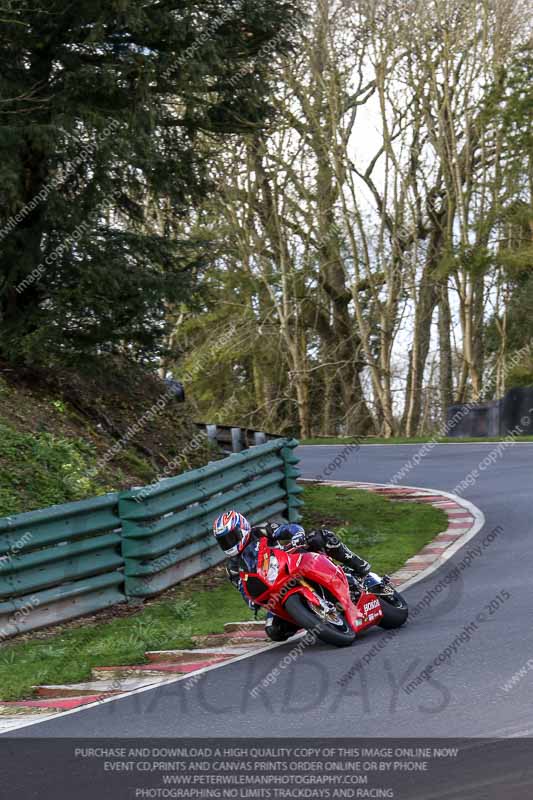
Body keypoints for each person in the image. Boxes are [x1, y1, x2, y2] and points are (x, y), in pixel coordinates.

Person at [212, 510, 371, 642]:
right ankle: (308, 617)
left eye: (231, 537)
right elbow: (243, 590)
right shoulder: (232, 567)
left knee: (319, 537)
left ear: (243, 528)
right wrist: (252, 601)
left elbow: (285, 529)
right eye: (224, 541)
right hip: (274, 589)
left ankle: (357, 566)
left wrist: (297, 534)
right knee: (273, 630)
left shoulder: (259, 531)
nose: (229, 543)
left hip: (290, 561)